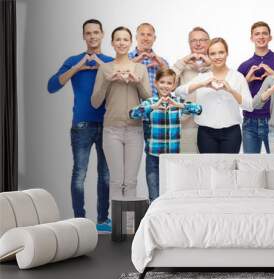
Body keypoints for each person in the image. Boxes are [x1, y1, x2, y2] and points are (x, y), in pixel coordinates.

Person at [47, 19, 113, 232]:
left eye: (96, 32)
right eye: (88, 33)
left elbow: (120, 82)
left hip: (107, 124)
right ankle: (79, 222)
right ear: (83, 36)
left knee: (105, 174)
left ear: (102, 34)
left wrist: (101, 65)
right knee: (80, 173)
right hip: (82, 125)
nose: (92, 36)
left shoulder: (110, 61)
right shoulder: (73, 60)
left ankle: (103, 220)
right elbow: (52, 86)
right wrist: (78, 67)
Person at [91, 26, 151, 203]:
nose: (122, 43)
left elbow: (149, 101)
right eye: (118, 39)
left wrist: (138, 82)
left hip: (135, 130)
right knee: (117, 181)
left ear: (130, 42)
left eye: (125, 39)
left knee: (131, 181)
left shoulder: (140, 69)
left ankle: (130, 228)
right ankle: (118, 228)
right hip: (112, 131)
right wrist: (107, 82)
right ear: (112, 43)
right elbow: (95, 102)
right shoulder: (105, 69)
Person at [129, 69, 202, 201]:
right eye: (162, 82)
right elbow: (132, 114)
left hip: (172, 158)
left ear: (174, 86)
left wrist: (178, 105)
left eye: (169, 83)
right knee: (154, 196)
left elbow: (198, 109)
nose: (165, 85)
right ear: (156, 83)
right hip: (153, 157)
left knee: (171, 195)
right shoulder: (150, 103)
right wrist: (152, 107)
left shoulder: (177, 102)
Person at [176, 38, 253, 153]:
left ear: (227, 53)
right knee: (208, 170)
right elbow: (178, 92)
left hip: (231, 133)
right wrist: (201, 84)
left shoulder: (238, 77)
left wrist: (231, 90)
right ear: (208, 56)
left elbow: (249, 106)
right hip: (206, 134)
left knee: (228, 170)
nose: (217, 57)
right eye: (213, 53)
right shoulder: (203, 77)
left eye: (221, 52)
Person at [238, 21, 274, 153]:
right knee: (250, 165)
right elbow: (236, 96)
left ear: (270, 37)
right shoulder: (244, 66)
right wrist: (246, 81)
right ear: (252, 38)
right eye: (257, 34)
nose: (261, 37)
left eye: (264, 33)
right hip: (250, 122)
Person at [172, 27, 211, 153]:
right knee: (188, 166)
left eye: (202, 40)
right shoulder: (182, 65)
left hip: (211, 126)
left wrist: (210, 64)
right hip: (187, 126)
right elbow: (168, 84)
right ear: (189, 43)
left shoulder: (216, 63)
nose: (198, 43)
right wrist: (182, 62)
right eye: (194, 40)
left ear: (208, 42)